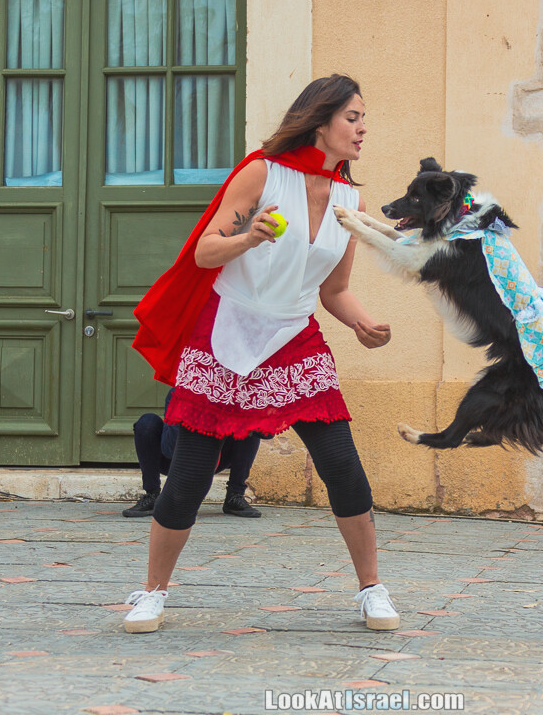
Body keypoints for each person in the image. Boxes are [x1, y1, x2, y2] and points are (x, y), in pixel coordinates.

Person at [125, 74, 399, 634]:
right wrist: (249, 237)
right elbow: (205, 252)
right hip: (228, 329)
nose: (363, 127)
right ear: (321, 120)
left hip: (295, 337)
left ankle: (372, 588)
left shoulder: (351, 201)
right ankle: (151, 592)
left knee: (342, 466)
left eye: (364, 118)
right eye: (353, 117)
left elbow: (334, 290)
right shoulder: (262, 172)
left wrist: (363, 322)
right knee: (191, 475)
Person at [123, 389, 263, 518]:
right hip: (175, 460)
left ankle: (235, 495)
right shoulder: (176, 395)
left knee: (250, 426)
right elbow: (169, 450)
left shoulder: (228, 397)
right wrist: (182, 410)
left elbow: (264, 433)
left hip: (213, 458)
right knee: (147, 422)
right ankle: (152, 495)